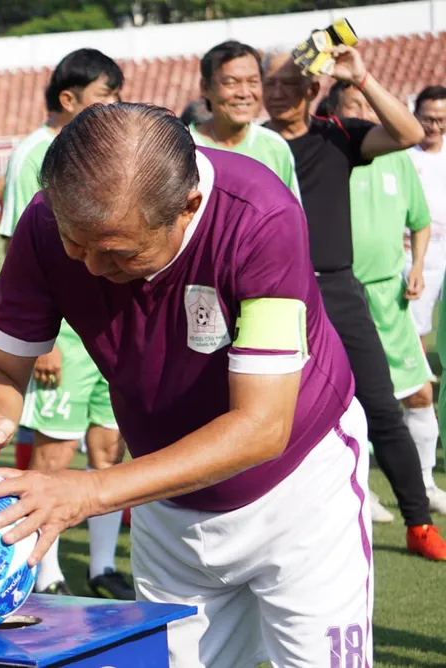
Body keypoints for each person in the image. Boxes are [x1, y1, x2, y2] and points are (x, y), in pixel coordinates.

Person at [0, 103, 372, 668]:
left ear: (188, 205)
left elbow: (262, 427)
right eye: (77, 244)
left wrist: (89, 492)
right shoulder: (46, 224)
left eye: (118, 252)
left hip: (298, 490)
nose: (92, 267)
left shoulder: (259, 217)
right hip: (161, 497)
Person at [263, 48, 446, 559]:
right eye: (268, 84)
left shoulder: (336, 135)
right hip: (267, 294)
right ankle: (282, 528)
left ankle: (417, 522)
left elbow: (410, 134)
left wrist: (360, 76)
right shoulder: (252, 143)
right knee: (275, 415)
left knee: (382, 408)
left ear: (311, 88)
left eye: (287, 82)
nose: (276, 93)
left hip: (338, 289)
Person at [0, 48, 130, 600]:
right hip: (64, 339)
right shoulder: (33, 153)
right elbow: (16, 244)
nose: (114, 106)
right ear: (69, 98)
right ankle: (43, 571)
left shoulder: (107, 152)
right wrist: (42, 340)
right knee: (54, 449)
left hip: (111, 328)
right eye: (105, 96)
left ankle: (101, 568)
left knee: (108, 445)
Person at [328, 81, 446, 518]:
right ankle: (359, 491)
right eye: (351, 104)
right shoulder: (331, 155)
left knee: (418, 394)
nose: (361, 109)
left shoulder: (396, 157)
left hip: (390, 296)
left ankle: (425, 483)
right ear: (335, 110)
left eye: (365, 103)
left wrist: (415, 266)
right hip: (341, 298)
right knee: (350, 405)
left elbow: (420, 221)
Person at [190, 40, 300, 197]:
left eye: (253, 82)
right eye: (231, 82)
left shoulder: (276, 148)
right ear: (205, 87)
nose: (244, 93)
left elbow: (291, 218)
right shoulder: (183, 149)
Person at [407, 87, 446, 337]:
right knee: (415, 326)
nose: (434, 126)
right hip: (414, 252)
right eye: (428, 119)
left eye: (441, 120)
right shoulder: (402, 153)